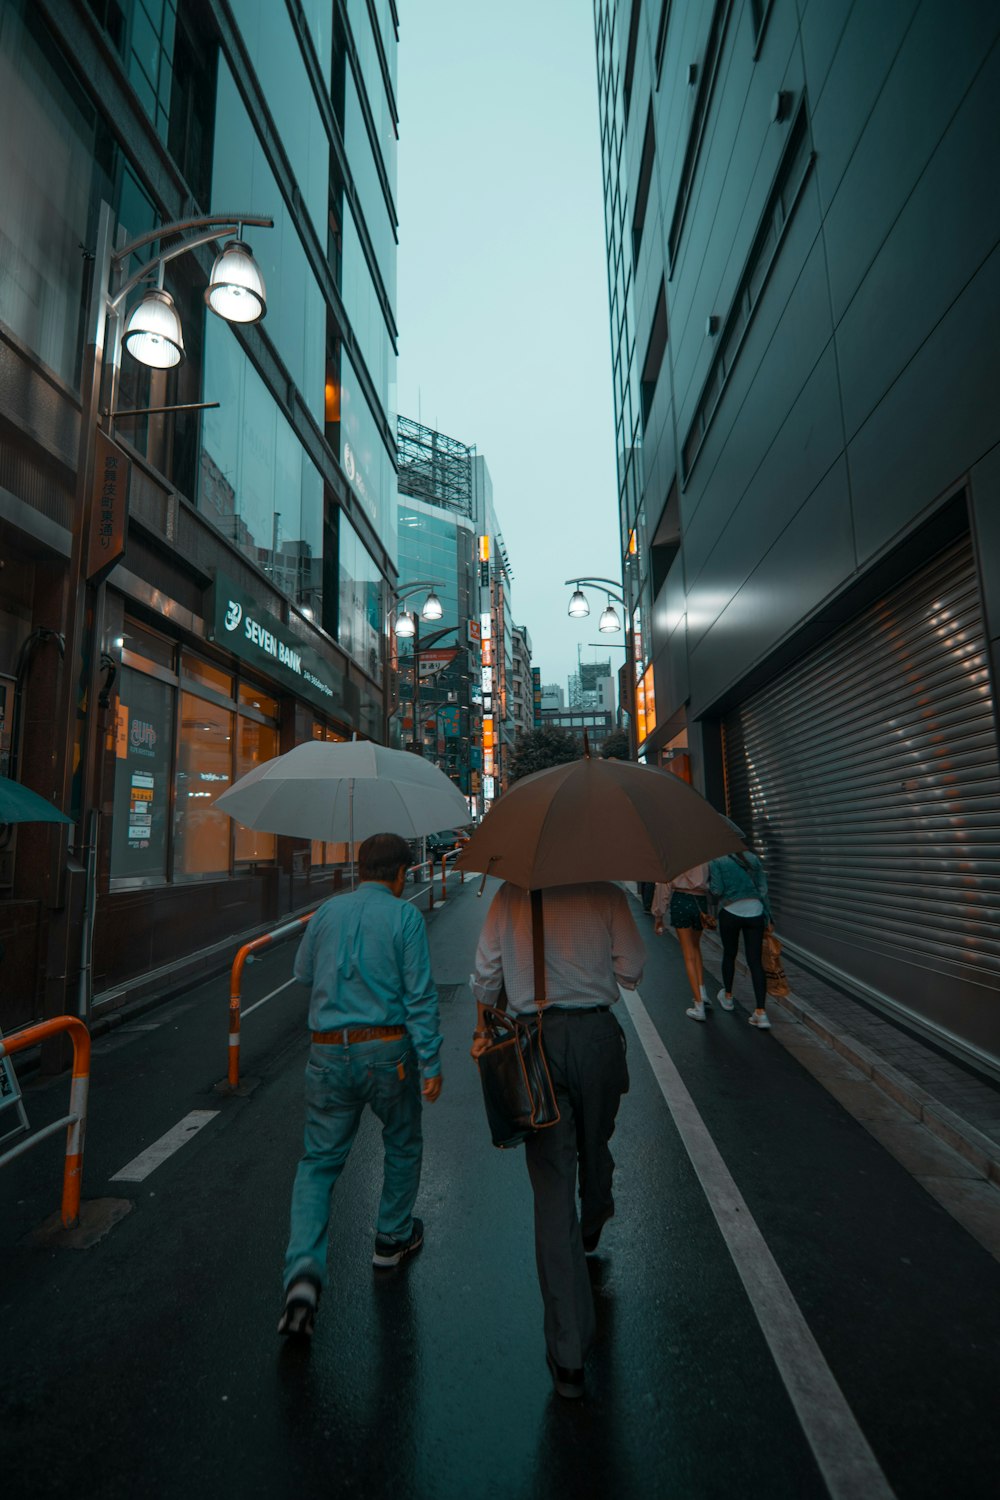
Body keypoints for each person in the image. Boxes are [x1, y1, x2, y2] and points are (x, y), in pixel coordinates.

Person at [470, 881, 645, 1400]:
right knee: (597, 1147)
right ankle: (595, 1212)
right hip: (597, 1039)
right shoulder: (608, 894)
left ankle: (568, 1352)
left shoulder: (510, 897)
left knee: (551, 1190)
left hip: (534, 1045)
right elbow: (632, 970)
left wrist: (481, 1025)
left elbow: (485, 977)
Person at [278, 832, 444, 1338]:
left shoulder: (327, 912)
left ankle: (304, 1271)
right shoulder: (405, 917)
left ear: (359, 867)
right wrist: (431, 1062)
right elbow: (419, 995)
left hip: (327, 1050)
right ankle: (391, 1239)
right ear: (400, 874)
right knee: (402, 1140)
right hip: (387, 1049)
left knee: (319, 1163)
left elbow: (301, 972)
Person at [651, 863, 728, 1022]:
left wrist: (659, 916)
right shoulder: (703, 857)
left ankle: (698, 1005)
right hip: (700, 902)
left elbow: (663, 885)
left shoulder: (674, 857)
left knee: (688, 954)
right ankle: (702, 992)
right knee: (695, 947)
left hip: (681, 900)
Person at [707, 849, 772, 1029]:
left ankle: (727, 996)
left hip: (730, 911)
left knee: (729, 954)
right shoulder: (753, 859)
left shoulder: (717, 860)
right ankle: (761, 1012)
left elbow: (717, 890)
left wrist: (710, 888)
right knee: (755, 962)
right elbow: (763, 890)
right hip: (755, 912)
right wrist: (768, 917)